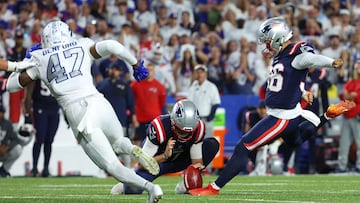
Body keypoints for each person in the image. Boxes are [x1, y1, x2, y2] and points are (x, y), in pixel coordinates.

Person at [189, 17, 356, 196]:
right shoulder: (282, 56)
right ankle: (326, 116)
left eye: (268, 41)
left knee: (243, 146)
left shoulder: (296, 53)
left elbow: (309, 58)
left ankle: (214, 188)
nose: (267, 46)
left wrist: (330, 62)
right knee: (295, 141)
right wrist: (302, 91)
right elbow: (291, 80)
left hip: (280, 117)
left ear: (278, 37)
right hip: (289, 113)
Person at [2, 20, 162, 203]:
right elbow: (112, 45)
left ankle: (151, 188)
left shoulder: (40, 58)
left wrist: (26, 62)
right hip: (100, 103)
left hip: (81, 115)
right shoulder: (82, 43)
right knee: (118, 142)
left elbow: (12, 86)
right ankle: (132, 149)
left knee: (112, 165)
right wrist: (135, 64)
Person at [111, 99, 219, 194]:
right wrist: (164, 156)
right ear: (173, 121)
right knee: (132, 190)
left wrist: (196, 169)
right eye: (180, 131)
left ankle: (185, 185)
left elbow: (196, 161)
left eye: (187, 132)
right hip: (156, 164)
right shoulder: (159, 127)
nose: (184, 135)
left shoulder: (199, 128)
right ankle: (127, 182)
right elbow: (142, 164)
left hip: (179, 159)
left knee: (212, 145)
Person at [96, 62, 138, 168]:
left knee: (122, 143)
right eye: (111, 69)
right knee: (103, 145)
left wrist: (133, 117)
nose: (113, 71)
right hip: (104, 120)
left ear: (120, 72)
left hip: (120, 120)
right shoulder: (101, 84)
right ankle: (104, 169)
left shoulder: (124, 85)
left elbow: (130, 103)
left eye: (115, 69)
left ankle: (128, 167)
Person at [24, 79, 60, 177]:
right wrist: (27, 116)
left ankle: (46, 168)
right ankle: (35, 168)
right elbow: (28, 95)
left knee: (49, 140)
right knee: (39, 139)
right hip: (40, 108)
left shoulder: (57, 73)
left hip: (54, 109)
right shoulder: (37, 72)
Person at [336, 60, 360, 173]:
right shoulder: (351, 82)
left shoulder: (352, 83)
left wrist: (350, 95)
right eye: (358, 65)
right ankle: (341, 166)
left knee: (359, 142)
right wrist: (349, 95)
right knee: (344, 143)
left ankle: (359, 166)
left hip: (358, 115)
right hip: (347, 115)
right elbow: (342, 95)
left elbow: (357, 97)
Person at [188, 64, 221, 139]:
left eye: (201, 72)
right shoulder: (193, 86)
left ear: (205, 73)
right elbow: (189, 102)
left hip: (207, 119)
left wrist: (210, 117)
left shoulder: (211, 86)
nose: (199, 74)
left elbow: (216, 102)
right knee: (195, 141)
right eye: (198, 72)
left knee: (207, 141)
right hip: (196, 120)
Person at [0, 105, 33, 177]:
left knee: (17, 149)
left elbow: (15, 139)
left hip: (3, 150)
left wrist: (7, 147)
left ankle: (4, 170)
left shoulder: (7, 124)